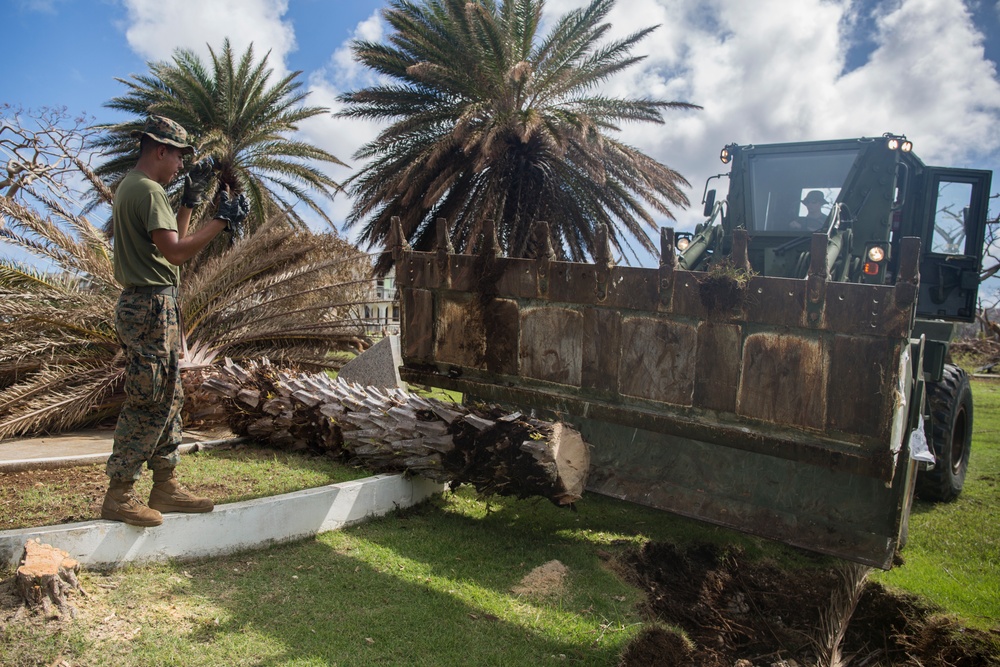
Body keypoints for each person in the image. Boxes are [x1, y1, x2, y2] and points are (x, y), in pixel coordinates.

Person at [102, 115, 248, 527]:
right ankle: (120, 493)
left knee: (169, 396)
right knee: (149, 397)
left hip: (155, 304)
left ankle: (164, 485)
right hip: (150, 305)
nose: (182, 165)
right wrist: (221, 221)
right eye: (179, 157)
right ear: (159, 149)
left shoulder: (140, 189)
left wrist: (188, 202)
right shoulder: (147, 191)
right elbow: (177, 254)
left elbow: (173, 242)